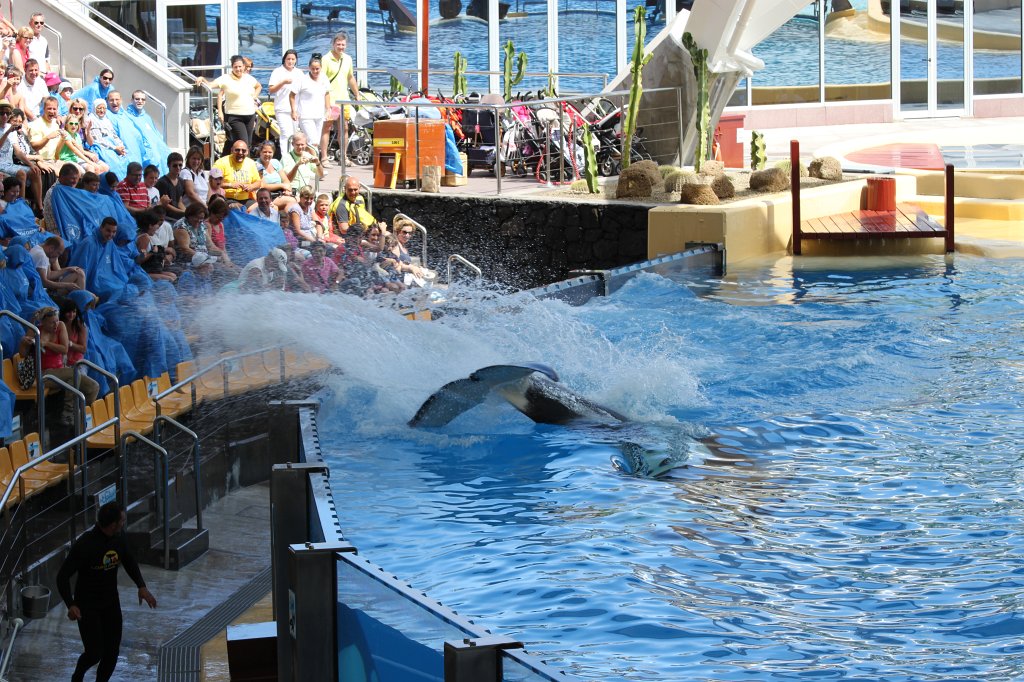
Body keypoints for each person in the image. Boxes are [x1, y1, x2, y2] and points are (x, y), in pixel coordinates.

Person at [56, 501, 157, 682]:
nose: (124, 523)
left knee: (111, 652)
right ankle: (77, 676)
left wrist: (141, 586)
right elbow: (62, 577)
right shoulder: (85, 544)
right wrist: (70, 604)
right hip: (87, 605)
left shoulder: (119, 537)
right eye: (122, 520)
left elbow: (129, 560)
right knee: (95, 653)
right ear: (113, 525)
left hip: (110, 603)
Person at [17, 306, 100, 423]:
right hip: (44, 374)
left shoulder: (60, 326)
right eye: (52, 323)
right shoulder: (36, 331)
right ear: (43, 322)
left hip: (60, 371)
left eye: (56, 321)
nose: (55, 325)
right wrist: (23, 342)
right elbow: (22, 354)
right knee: (73, 375)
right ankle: (68, 413)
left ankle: (79, 416)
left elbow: (64, 349)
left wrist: (46, 344)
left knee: (93, 387)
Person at [207, 55, 261, 156]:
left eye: (240, 66)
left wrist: (254, 97)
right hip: (234, 116)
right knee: (243, 145)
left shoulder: (249, 78)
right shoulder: (226, 79)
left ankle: (223, 163)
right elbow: (210, 85)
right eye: (235, 67)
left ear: (244, 67)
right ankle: (247, 168)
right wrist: (202, 78)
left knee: (246, 144)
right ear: (232, 67)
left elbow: (258, 86)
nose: (238, 69)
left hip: (250, 115)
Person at [321, 32, 360, 169]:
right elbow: (322, 79)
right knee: (327, 127)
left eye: (343, 44)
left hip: (344, 100)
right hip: (331, 100)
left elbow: (350, 77)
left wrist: (357, 93)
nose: (341, 47)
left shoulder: (347, 59)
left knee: (344, 128)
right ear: (333, 44)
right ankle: (324, 157)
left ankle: (343, 156)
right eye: (338, 44)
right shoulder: (326, 59)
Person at [0, 103, 44, 211]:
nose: (5, 116)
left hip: (8, 164)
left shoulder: (11, 130)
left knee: (35, 171)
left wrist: (31, 164)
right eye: (2, 113)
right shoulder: (9, 130)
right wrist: (7, 132)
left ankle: (40, 207)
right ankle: (22, 206)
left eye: (7, 113)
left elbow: (18, 152)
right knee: (21, 173)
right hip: (1, 164)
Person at [290, 55, 331, 165]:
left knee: (313, 142)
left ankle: (305, 163)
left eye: (317, 69)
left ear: (321, 68)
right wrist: (293, 111)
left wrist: (328, 109)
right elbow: (292, 95)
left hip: (319, 115)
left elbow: (327, 93)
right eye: (313, 68)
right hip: (305, 115)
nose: (315, 71)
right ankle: (316, 167)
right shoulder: (302, 79)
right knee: (313, 142)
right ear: (309, 68)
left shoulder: (324, 78)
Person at [83, 98, 129, 180]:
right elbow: (98, 140)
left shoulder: (106, 120)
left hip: (112, 145)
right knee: (114, 162)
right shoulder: (91, 120)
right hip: (101, 147)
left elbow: (114, 135)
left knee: (126, 157)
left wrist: (120, 145)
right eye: (99, 108)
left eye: (104, 108)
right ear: (94, 109)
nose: (102, 110)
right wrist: (114, 148)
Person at [268, 49, 300, 158]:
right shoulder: (278, 71)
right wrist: (283, 82)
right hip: (282, 107)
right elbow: (271, 90)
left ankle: (294, 156)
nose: (290, 61)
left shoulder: (299, 73)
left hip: (296, 109)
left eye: (293, 59)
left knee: (294, 134)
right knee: (286, 133)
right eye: (288, 59)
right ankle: (285, 158)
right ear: (284, 59)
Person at [213, 140, 260, 204]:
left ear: (247, 152)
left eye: (244, 151)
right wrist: (230, 185)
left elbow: (258, 183)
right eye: (237, 150)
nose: (240, 153)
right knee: (238, 209)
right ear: (231, 150)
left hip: (246, 199)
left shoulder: (251, 163)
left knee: (261, 209)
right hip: (226, 199)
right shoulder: (221, 162)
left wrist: (251, 186)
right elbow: (213, 183)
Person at [27, 95, 61, 172]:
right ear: (44, 109)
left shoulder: (55, 124)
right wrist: (48, 137)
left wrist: (63, 139)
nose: (52, 111)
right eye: (49, 108)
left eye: (54, 109)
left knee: (77, 171)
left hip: (55, 160)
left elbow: (57, 151)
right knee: (66, 175)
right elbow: (34, 147)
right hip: (42, 161)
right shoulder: (36, 124)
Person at [155, 151, 187, 220]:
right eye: (175, 165)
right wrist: (182, 212)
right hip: (166, 217)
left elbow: (179, 202)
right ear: (168, 165)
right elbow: (165, 204)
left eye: (180, 165)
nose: (178, 168)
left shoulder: (181, 181)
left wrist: (187, 212)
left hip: (179, 217)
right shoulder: (162, 182)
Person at [59, 297, 88, 367]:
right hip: (60, 361)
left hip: (76, 362)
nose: (71, 315)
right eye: (69, 312)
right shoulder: (58, 324)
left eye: (74, 312)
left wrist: (70, 344)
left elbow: (83, 349)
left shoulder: (80, 325)